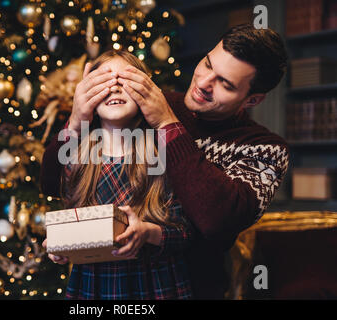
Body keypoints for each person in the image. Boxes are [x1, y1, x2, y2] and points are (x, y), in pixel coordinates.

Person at [41, 24, 290, 299]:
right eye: (207, 64)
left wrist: (165, 123)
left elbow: (216, 222)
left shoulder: (265, 149)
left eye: (225, 83)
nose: (204, 83)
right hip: (101, 284)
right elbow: (54, 183)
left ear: (252, 99)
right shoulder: (146, 105)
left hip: (186, 288)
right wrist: (76, 121)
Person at [43, 50, 194, 299]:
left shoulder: (164, 153)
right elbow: (72, 224)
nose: (114, 89)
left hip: (155, 286)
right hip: (94, 287)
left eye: (124, 82)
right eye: (102, 83)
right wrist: (60, 245)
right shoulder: (76, 160)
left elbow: (187, 233)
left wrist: (147, 232)